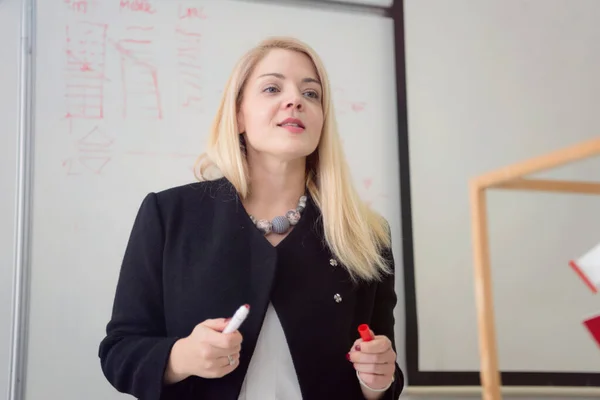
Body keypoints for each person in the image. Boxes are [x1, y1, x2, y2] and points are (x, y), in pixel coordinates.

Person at [98, 36, 404, 400]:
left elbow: (386, 377)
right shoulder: (168, 214)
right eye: (272, 88)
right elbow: (119, 351)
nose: (295, 101)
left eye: (311, 94)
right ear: (239, 114)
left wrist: (378, 379)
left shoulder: (366, 234)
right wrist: (181, 357)